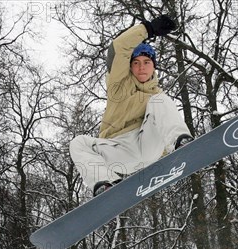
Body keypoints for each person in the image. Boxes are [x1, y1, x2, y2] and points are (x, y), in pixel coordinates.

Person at [69, 14, 193, 196]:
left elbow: (164, 123)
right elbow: (119, 48)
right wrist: (148, 29)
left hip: (148, 146)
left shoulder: (157, 97)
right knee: (78, 142)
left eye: (146, 62)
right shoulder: (119, 86)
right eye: (136, 63)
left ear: (154, 67)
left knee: (160, 100)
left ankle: (181, 143)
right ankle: (105, 184)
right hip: (118, 150)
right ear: (130, 67)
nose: (141, 67)